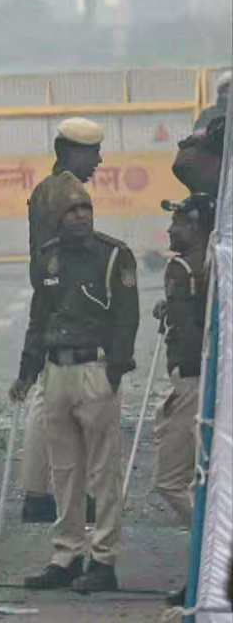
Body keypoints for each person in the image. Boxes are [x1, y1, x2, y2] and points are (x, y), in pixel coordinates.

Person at [11, 187, 136, 594]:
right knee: (65, 471)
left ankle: (103, 559)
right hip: (56, 372)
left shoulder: (114, 255)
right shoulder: (48, 258)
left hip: (94, 371)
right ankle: (66, 555)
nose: (82, 216)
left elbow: (126, 319)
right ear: (57, 218)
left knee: (103, 472)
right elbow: (39, 319)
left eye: (87, 208)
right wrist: (27, 373)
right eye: (72, 210)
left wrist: (114, 371)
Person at [18, 117, 105, 524]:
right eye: (93, 153)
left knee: (45, 393)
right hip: (68, 297)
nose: (99, 161)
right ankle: (64, 494)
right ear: (73, 152)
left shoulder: (44, 188)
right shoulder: (73, 193)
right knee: (70, 397)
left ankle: (38, 491)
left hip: (50, 292)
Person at [154, 193, 214, 607]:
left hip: (191, 381)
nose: (171, 229)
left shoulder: (180, 268)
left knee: (171, 479)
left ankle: (209, 561)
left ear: (196, 228)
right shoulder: (212, 266)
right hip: (212, 379)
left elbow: (191, 337)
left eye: (178, 222)